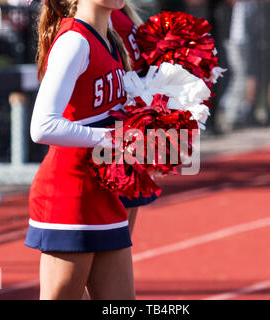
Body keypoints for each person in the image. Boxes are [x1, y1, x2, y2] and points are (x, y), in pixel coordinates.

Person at [24, 0, 135, 300]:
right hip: (69, 196)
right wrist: (112, 139)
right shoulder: (74, 40)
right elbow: (42, 127)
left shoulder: (110, 39)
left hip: (103, 190)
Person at [110, 2, 159, 236]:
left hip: (130, 124)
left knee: (118, 240)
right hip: (122, 126)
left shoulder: (118, 13)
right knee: (116, 239)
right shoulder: (109, 15)